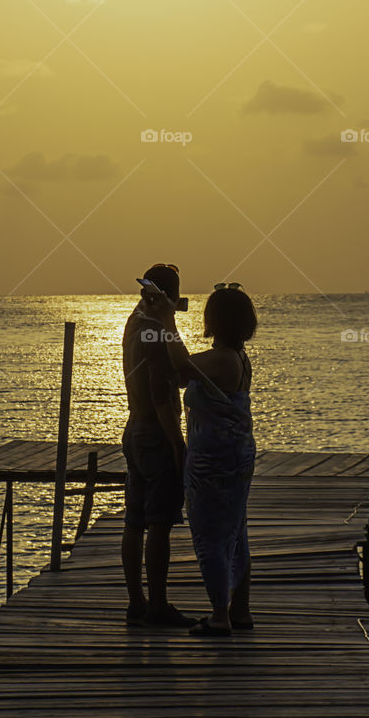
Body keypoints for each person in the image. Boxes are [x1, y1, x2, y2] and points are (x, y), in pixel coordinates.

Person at [144, 280, 257, 636]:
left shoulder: (222, 359)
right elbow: (183, 374)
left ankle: (220, 615)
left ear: (215, 322)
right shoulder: (237, 357)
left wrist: (166, 318)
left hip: (215, 461)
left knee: (210, 537)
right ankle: (239, 610)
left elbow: (180, 364)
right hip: (237, 455)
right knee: (236, 532)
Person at [120, 263, 197, 628]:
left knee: (134, 522)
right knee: (159, 524)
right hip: (154, 431)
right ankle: (158, 604)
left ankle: (137, 601)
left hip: (133, 428)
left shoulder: (135, 323)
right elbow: (165, 391)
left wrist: (165, 317)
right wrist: (177, 444)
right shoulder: (156, 332)